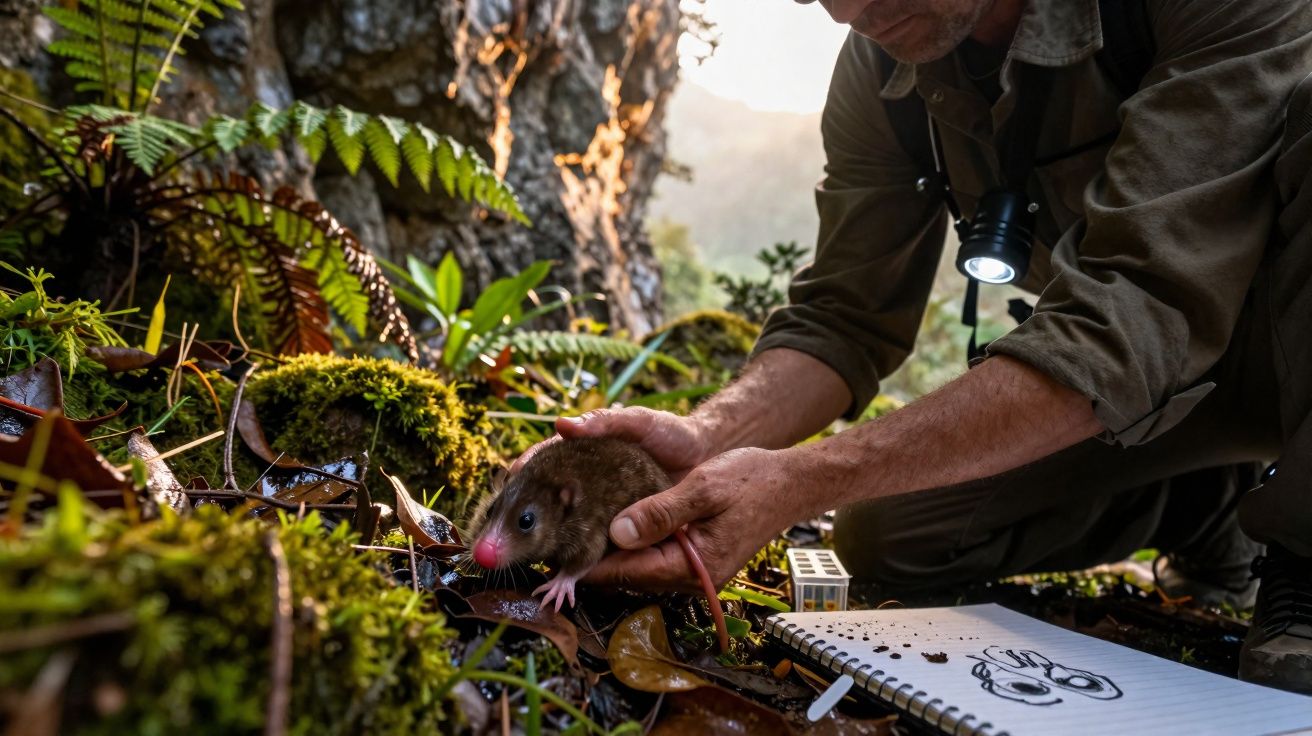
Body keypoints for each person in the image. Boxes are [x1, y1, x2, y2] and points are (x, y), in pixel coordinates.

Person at [517, 0, 1312, 693]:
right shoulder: (888, 57)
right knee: (893, 534)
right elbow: (844, 316)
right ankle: (1214, 507)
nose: (842, 8)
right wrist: (706, 437)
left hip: (1265, 344)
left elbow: (1132, 308)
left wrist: (802, 478)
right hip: (1173, 394)